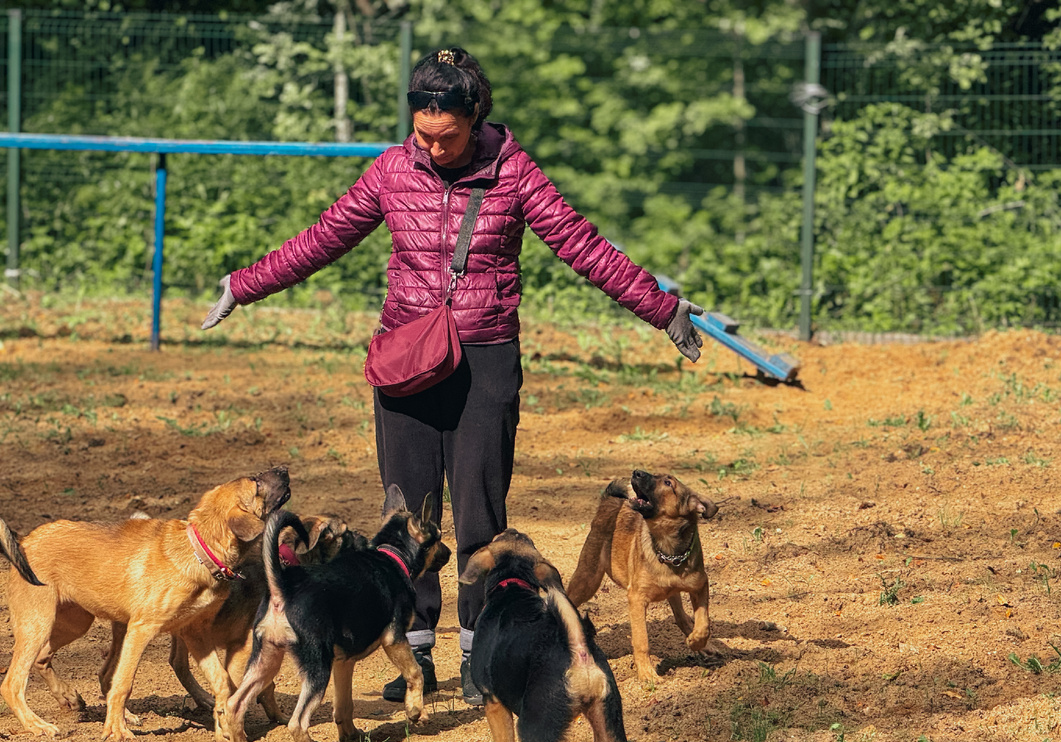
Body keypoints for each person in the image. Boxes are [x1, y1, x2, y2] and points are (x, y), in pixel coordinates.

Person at [201, 46, 704, 706]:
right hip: (406, 360)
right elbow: (323, 237)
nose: (434, 149)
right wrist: (244, 285)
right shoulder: (390, 171)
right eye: (422, 135)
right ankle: (412, 654)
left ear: (476, 118)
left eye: (448, 136)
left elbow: (583, 246)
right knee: (403, 518)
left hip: (485, 360)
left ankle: (478, 655)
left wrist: (660, 307)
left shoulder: (515, 173)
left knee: (478, 518)